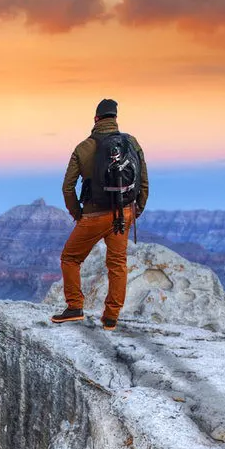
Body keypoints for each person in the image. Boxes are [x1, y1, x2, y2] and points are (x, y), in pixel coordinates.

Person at [55, 97, 149, 328]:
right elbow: (143, 180)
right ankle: (111, 317)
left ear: (96, 119)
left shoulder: (83, 147)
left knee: (70, 258)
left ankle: (75, 306)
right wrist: (136, 209)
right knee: (117, 264)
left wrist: (77, 213)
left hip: (94, 215)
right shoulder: (131, 143)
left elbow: (68, 186)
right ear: (115, 119)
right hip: (123, 212)